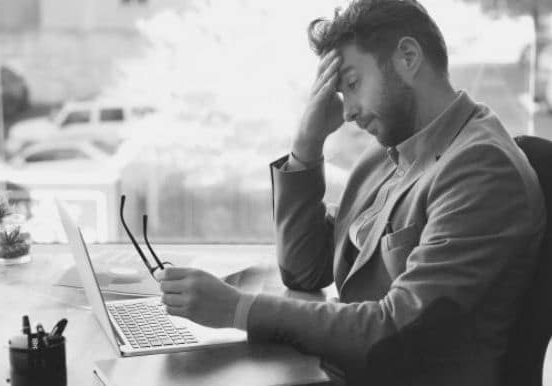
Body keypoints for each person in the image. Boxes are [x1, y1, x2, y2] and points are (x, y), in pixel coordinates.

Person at [154, 0, 546, 384]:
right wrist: (307, 145)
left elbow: (395, 329)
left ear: (408, 57)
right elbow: (306, 269)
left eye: (353, 84)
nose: (347, 112)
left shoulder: (481, 168)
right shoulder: (388, 153)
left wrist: (237, 308)